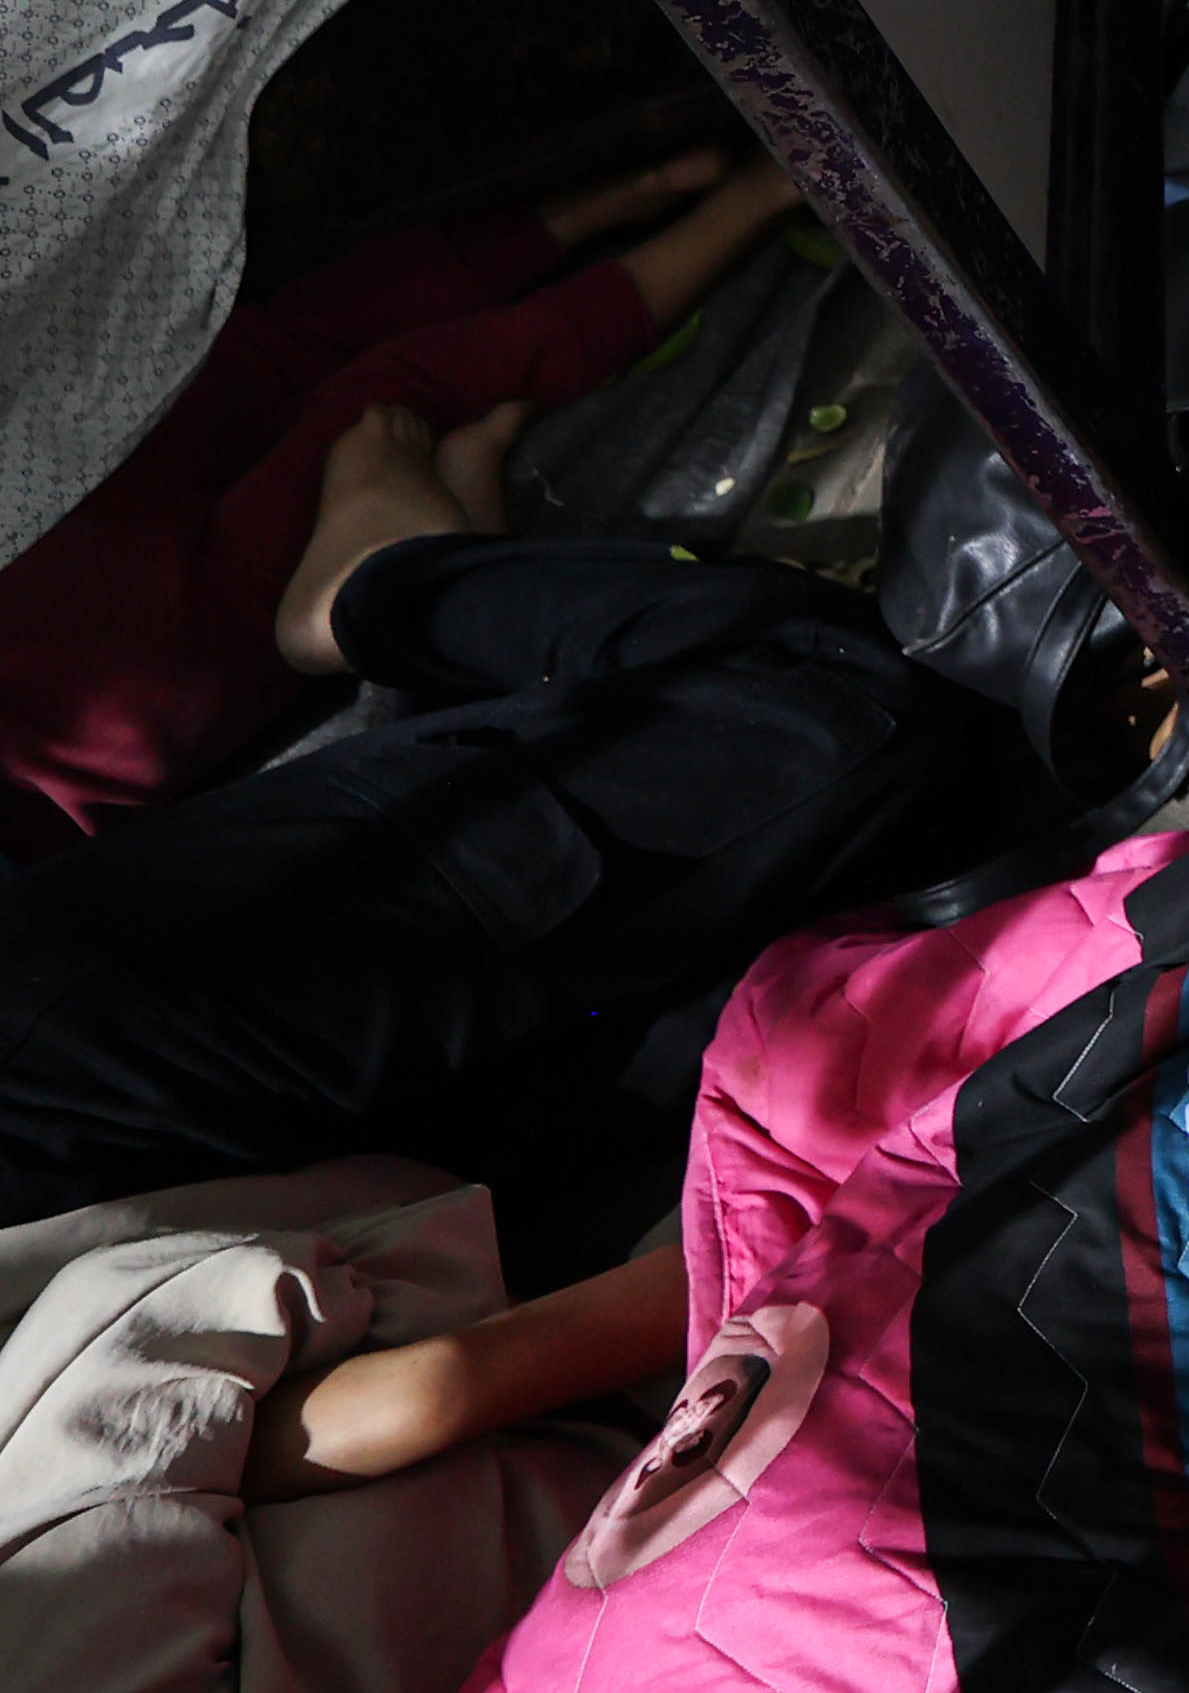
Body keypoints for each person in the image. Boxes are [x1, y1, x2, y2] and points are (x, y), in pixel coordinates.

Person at [0, 403, 1050, 1276]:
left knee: (868, 741)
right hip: (156, 1165)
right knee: (865, 745)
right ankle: (395, 595)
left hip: (113, 1100)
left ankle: (400, 599)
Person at [0, 146, 810, 846]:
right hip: (86, 655)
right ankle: (683, 190)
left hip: (89, 691)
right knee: (305, 364)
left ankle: (720, 194)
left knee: (341, 382)